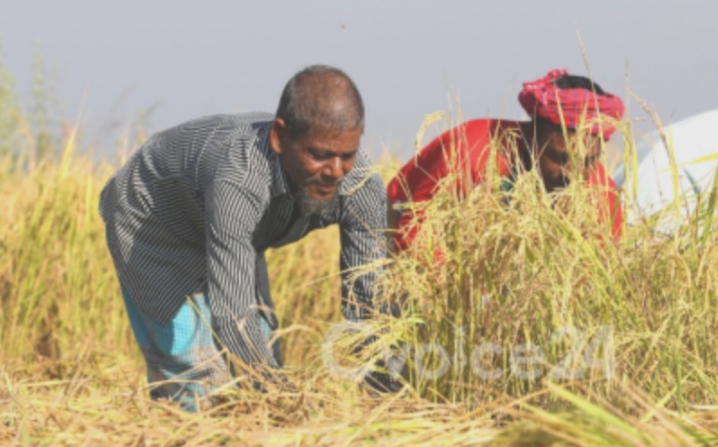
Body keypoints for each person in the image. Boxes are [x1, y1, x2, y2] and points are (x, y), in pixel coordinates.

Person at [99, 65, 395, 410]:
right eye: (318, 155)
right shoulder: (238, 177)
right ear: (279, 138)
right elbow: (233, 311)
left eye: (347, 155)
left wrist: (384, 396)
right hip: (156, 221)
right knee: (198, 376)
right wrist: (283, 403)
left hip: (233, 231)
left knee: (264, 345)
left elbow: (368, 299)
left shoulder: (360, 185)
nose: (335, 172)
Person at [386, 69, 625, 254]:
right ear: (531, 136)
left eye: (588, 160)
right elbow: (414, 234)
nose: (573, 174)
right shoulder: (473, 152)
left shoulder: (600, 192)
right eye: (562, 158)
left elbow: (600, 267)